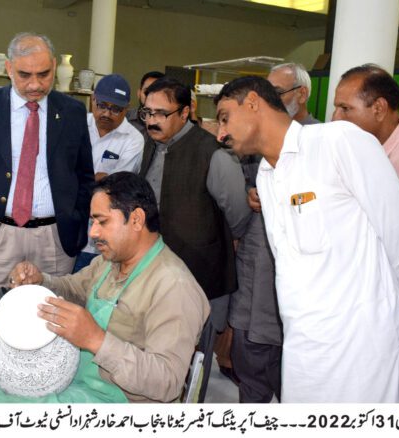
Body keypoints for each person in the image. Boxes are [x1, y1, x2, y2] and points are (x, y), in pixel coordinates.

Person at [214, 76, 399, 402]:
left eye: (225, 118)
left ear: (253, 102)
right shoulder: (267, 175)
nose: (220, 133)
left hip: (361, 348)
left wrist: (378, 305)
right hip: (303, 349)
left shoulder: (337, 142)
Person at [0, 172, 210, 403]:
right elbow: (75, 288)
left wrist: (96, 340)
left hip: (117, 400)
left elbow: (167, 382)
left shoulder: (174, 287)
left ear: (136, 219)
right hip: (78, 378)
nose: (93, 233)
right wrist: (41, 281)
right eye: (92, 222)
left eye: (102, 222)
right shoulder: (111, 261)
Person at [0, 32, 95, 392]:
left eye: (44, 74)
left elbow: (84, 176)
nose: (35, 84)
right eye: (25, 75)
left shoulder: (73, 113)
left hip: (53, 239)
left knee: (50, 330)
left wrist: (76, 228)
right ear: (8, 69)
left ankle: (38, 402)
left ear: (54, 68)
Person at [138, 77, 250, 401]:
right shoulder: (150, 144)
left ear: (185, 112)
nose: (152, 121)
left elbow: (239, 216)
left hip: (200, 277)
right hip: (154, 274)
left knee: (192, 366)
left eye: (162, 113)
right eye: (147, 113)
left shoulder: (213, 154)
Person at [229, 63, 320, 403]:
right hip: (255, 258)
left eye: (277, 92)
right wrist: (250, 193)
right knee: (248, 362)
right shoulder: (255, 139)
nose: (269, 99)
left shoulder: (318, 142)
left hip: (296, 281)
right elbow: (242, 182)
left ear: (302, 94)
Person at [332, 63, 399, 377]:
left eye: (345, 109)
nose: (335, 119)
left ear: (379, 108)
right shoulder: (356, 151)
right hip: (364, 290)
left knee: (389, 383)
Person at [72, 73, 144, 272]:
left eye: (115, 109)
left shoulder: (133, 139)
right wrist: (98, 179)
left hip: (101, 237)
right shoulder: (77, 124)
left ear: (126, 109)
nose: (107, 113)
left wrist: (79, 179)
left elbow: (115, 189)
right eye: (102, 105)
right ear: (92, 99)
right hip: (68, 227)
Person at [126, 71, 165, 138]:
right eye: (147, 92)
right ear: (139, 93)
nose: (151, 97)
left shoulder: (170, 122)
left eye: (157, 92)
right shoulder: (124, 118)